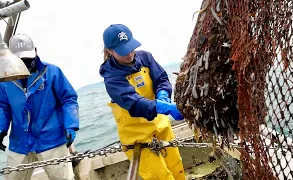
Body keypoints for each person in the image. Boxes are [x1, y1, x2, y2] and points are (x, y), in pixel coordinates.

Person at [99, 24, 186, 180]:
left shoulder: (145, 57)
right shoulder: (111, 77)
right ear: (110, 51)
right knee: (160, 176)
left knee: (176, 166)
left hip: (161, 125)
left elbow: (161, 79)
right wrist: (164, 107)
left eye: (131, 47)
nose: (130, 53)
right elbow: (134, 103)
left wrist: (163, 94)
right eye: (123, 51)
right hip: (137, 138)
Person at [0, 33, 79, 180]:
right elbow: (2, 107)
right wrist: (1, 129)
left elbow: (68, 100)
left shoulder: (52, 72)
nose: (26, 62)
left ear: (35, 51)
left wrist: (71, 125)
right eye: (21, 59)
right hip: (20, 143)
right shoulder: (4, 80)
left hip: (52, 140)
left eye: (28, 58)